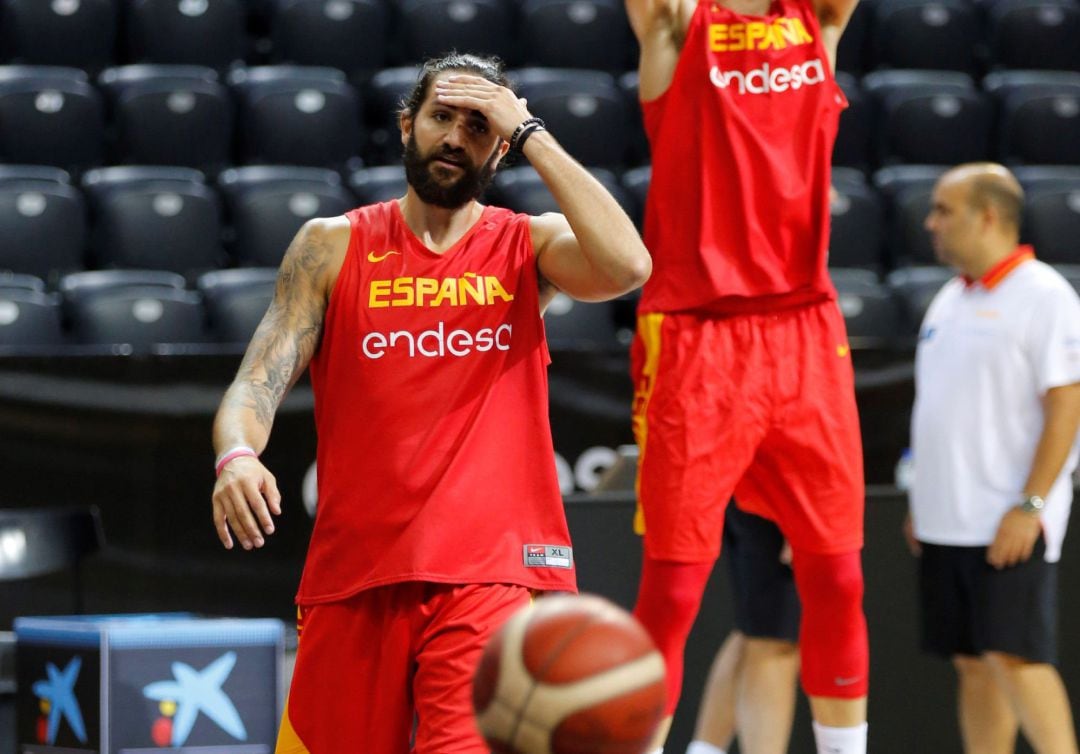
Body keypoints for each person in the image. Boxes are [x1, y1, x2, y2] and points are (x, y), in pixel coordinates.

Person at [209, 52, 651, 754]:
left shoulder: (526, 246)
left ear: (498, 147)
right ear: (408, 124)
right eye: (442, 117)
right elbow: (256, 381)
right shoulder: (332, 244)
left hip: (491, 574)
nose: (455, 137)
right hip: (356, 573)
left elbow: (629, 265)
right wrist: (236, 454)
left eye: (479, 126)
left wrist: (530, 130)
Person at [622, 0, 870, 747]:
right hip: (698, 336)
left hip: (805, 329)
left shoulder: (817, 20)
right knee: (672, 591)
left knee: (840, 580)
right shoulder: (676, 21)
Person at [907, 162, 1080, 754]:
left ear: (988, 216)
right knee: (973, 663)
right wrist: (921, 502)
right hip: (945, 521)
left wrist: (1030, 505)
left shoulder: (1044, 295)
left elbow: (1067, 404)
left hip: (1009, 520)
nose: (931, 223)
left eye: (943, 210)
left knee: (1018, 657)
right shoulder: (949, 299)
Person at [687, 505, 801, 754]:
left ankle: (703, 750)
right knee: (776, 638)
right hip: (777, 492)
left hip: (747, 487)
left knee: (754, 629)